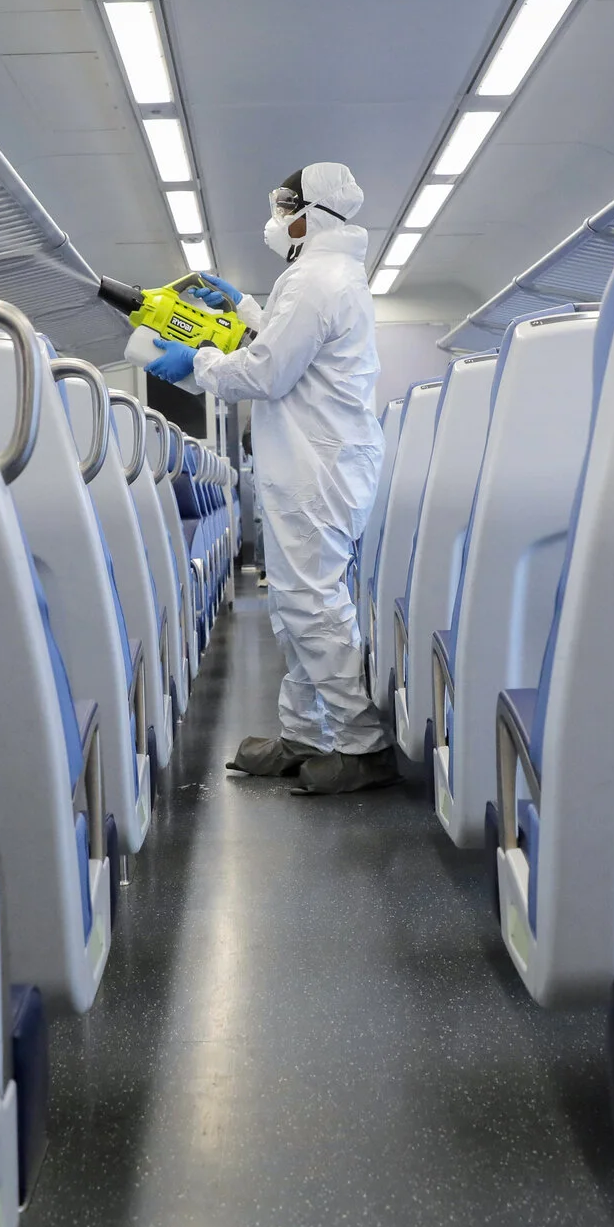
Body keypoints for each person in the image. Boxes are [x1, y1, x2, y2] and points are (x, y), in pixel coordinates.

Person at [136, 162, 394, 794]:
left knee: (312, 602)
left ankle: (362, 747)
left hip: (316, 465)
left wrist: (196, 362)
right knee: (296, 603)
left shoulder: (314, 280)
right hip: (313, 460)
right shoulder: (319, 277)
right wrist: (248, 309)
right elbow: (287, 344)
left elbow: (267, 372)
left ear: (314, 214)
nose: (278, 218)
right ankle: (304, 733)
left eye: (287, 206)